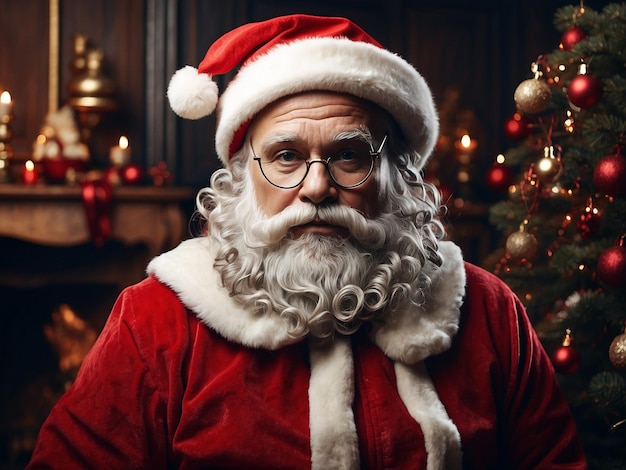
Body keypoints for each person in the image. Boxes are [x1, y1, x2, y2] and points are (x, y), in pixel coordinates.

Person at [27, 14, 587, 469]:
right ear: (243, 175)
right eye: (286, 156)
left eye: (349, 155)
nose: (316, 187)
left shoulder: (489, 313)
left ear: (397, 178)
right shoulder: (155, 322)